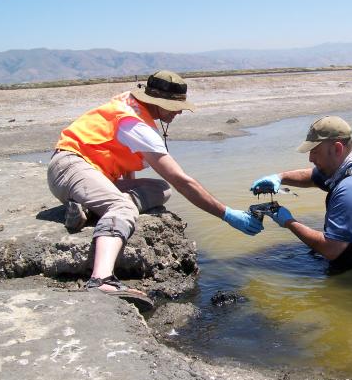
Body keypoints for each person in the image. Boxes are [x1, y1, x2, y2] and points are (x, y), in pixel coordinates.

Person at [48, 70, 262, 305]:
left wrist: (122, 187)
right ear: (158, 102)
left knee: (161, 189)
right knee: (122, 207)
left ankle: (87, 209)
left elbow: (127, 162)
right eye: (175, 106)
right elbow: (183, 181)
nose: (180, 111)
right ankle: (101, 281)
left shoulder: (132, 105)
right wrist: (227, 214)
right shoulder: (137, 125)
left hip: (90, 174)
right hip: (70, 167)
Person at [251, 116, 352, 272]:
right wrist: (280, 178)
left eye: (315, 151)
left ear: (337, 149)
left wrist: (288, 222)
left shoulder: (351, 189)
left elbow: (331, 250)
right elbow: (313, 177)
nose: (310, 158)